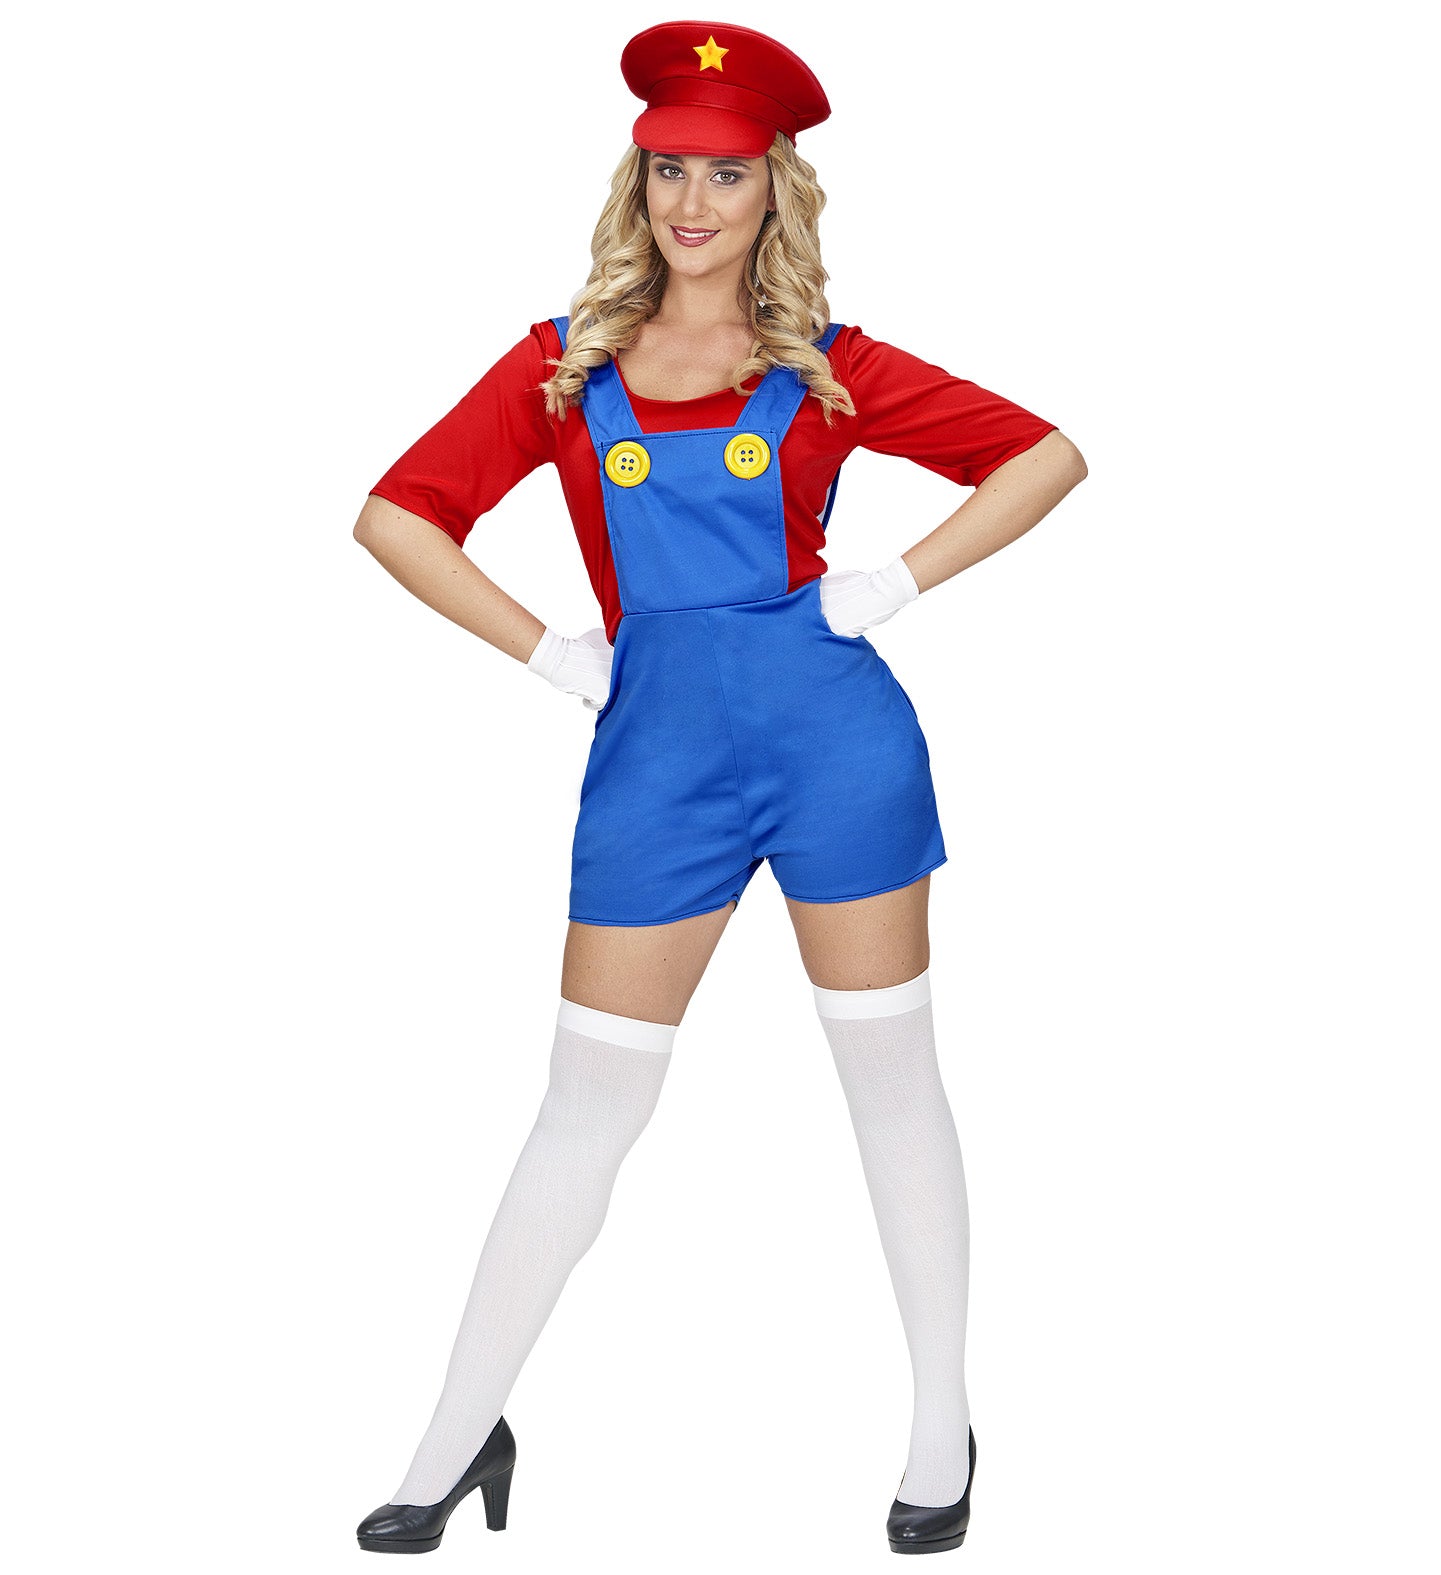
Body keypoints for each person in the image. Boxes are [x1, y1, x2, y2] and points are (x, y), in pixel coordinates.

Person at [352, 19, 1087, 1558]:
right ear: (637, 184)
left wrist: (894, 583)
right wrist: (551, 654)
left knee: (889, 1084)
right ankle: (453, 1432)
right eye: (670, 170)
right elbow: (395, 517)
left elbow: (1043, 456)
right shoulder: (561, 366)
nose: (693, 202)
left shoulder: (827, 368)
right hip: (655, 769)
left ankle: (940, 1423)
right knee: (585, 1105)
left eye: (727, 175)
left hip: (838, 753)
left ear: (774, 191)